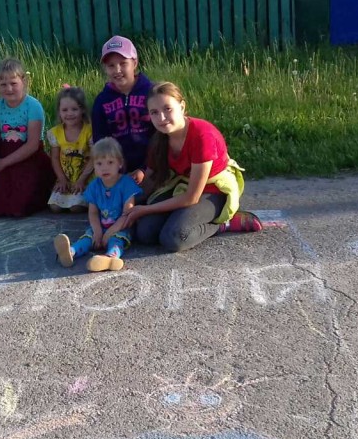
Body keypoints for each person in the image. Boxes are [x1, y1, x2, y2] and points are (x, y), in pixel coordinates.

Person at [117, 82, 261, 253]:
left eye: (167, 109)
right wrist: (124, 201)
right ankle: (180, 219)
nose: (161, 118)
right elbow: (149, 180)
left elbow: (192, 197)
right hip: (182, 186)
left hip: (212, 191)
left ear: (182, 106)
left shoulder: (202, 135)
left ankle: (224, 223)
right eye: (154, 112)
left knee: (174, 238)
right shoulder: (160, 138)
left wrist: (145, 209)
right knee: (145, 232)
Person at [53, 137, 142, 272]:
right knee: (87, 238)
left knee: (116, 240)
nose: (104, 168)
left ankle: (111, 258)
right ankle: (70, 252)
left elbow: (127, 214)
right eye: (99, 163)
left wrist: (110, 232)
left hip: (121, 227)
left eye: (110, 162)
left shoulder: (126, 184)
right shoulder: (94, 186)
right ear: (94, 166)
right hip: (101, 226)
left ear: (120, 163)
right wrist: (97, 231)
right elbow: (93, 213)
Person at [0, 58, 54, 217]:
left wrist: (4, 163)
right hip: (5, 153)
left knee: (20, 204)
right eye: (3, 84)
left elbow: (33, 145)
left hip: (29, 156)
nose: (9, 89)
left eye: (13, 83)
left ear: (24, 81)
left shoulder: (33, 106)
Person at [91, 35, 154, 185]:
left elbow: (163, 136)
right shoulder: (102, 100)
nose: (117, 70)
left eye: (123, 63)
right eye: (111, 65)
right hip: (118, 172)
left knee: (151, 197)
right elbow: (101, 141)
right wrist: (115, 171)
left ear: (135, 63)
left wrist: (145, 169)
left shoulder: (153, 93)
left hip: (153, 168)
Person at [47, 85, 93, 213]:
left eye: (74, 109)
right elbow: (55, 158)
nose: (69, 114)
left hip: (85, 176)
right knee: (55, 207)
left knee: (75, 208)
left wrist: (82, 180)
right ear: (59, 112)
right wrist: (61, 178)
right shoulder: (56, 133)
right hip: (66, 176)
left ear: (82, 110)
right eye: (65, 110)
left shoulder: (89, 131)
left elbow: (94, 157)